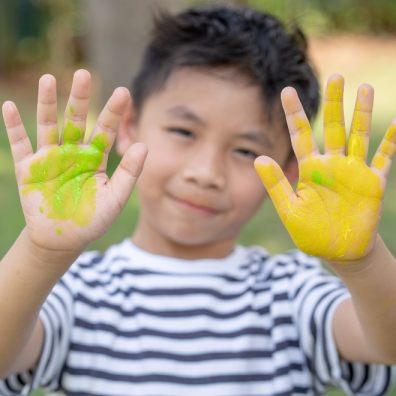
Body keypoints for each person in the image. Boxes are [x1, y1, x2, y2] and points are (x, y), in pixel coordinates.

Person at [1, 4, 396, 396]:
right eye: (184, 132)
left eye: (244, 151)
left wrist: (361, 263)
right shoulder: (73, 291)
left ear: (289, 170)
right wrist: (41, 253)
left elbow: (387, 346)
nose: (206, 173)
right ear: (130, 126)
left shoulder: (291, 293)